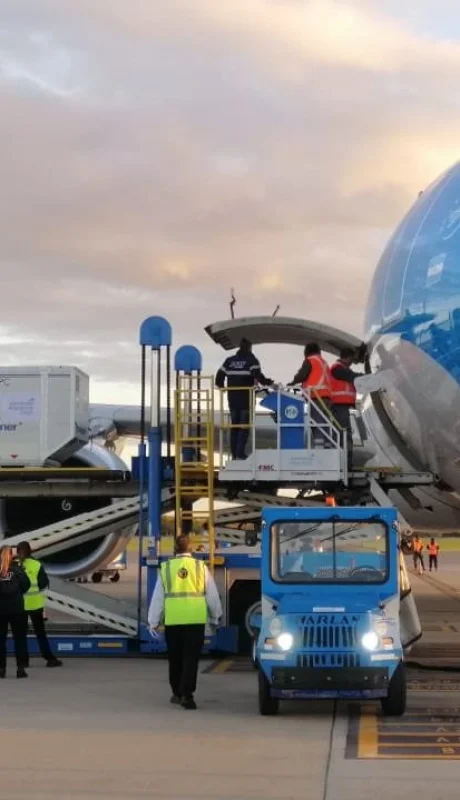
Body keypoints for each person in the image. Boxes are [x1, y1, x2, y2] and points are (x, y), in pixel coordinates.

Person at [148, 534, 223, 710]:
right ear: (191, 549)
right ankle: (187, 696)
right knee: (191, 659)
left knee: (175, 659)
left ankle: (176, 692)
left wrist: (153, 621)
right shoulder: (199, 567)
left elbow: (158, 597)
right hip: (195, 621)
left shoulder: (166, 568)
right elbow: (211, 594)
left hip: (173, 622)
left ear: (175, 549)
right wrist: (216, 616)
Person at [215, 338, 274, 460]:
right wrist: (269, 382)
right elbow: (258, 375)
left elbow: (219, 376)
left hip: (232, 399)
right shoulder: (251, 360)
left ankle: (234, 455)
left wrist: (221, 386)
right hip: (246, 400)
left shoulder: (229, 361)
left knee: (234, 427)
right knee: (244, 427)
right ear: (249, 348)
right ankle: (240, 453)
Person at [16, 541, 62, 668]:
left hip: (20, 605)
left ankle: (23, 661)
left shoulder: (16, 566)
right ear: (30, 551)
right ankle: (49, 659)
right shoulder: (36, 565)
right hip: (35, 605)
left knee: (21, 635)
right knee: (40, 633)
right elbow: (43, 583)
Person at [288, 343, 332, 446]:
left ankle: (319, 448)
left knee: (317, 423)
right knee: (325, 423)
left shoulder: (310, 360)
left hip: (316, 396)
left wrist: (292, 383)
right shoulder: (323, 362)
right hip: (327, 397)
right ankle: (327, 446)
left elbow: (302, 375)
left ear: (306, 352)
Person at [330, 347, 364, 468]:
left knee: (344, 434)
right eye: (351, 359)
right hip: (338, 407)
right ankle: (345, 463)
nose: (352, 362)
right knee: (344, 434)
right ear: (347, 357)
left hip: (342, 407)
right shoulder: (337, 368)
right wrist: (366, 376)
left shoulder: (342, 369)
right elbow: (351, 376)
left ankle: (346, 462)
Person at [0, 546, 30, 678]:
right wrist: (17, 594)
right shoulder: (18, 570)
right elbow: (26, 585)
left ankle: (1, 669)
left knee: (1, 640)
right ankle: (20, 669)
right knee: (20, 639)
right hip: (17, 608)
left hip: (1, 609)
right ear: (12, 555)